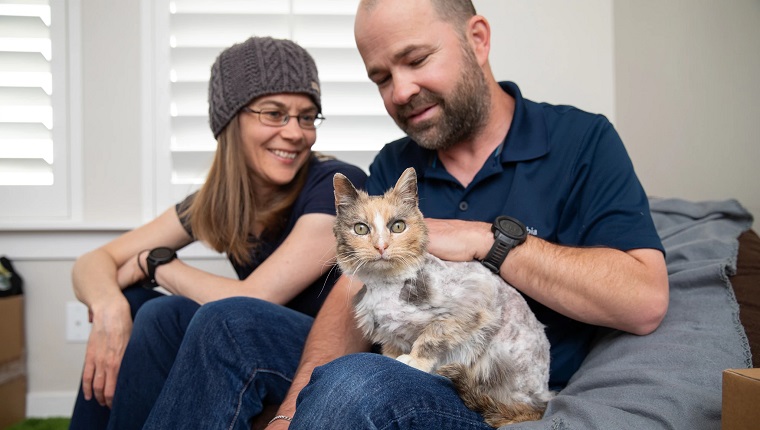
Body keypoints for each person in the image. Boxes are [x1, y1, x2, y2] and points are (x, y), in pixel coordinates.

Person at [141, 1, 669, 429]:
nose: (400, 92)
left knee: (359, 380)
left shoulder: (581, 141)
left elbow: (644, 300)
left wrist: (487, 240)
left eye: (415, 60)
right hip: (402, 351)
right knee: (224, 321)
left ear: (478, 39)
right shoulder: (396, 163)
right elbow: (352, 294)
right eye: (380, 77)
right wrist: (290, 409)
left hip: (489, 385)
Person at [67, 36, 367, 430]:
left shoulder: (337, 185)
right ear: (230, 120)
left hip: (329, 349)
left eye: (307, 116)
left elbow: (256, 298)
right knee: (142, 305)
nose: (296, 133)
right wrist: (109, 308)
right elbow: (93, 262)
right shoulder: (221, 201)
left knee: (177, 311)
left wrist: (158, 265)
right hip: (256, 338)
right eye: (274, 113)